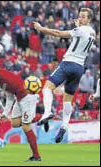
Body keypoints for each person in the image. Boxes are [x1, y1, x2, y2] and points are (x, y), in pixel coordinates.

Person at [33, 8, 96, 143]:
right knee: (67, 100)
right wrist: (79, 26)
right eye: (80, 16)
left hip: (68, 63)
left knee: (47, 87)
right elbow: (82, 39)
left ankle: (48, 112)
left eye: (83, 17)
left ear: (89, 19)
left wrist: (41, 28)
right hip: (79, 67)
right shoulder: (92, 32)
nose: (80, 19)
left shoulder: (80, 30)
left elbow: (57, 33)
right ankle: (64, 126)